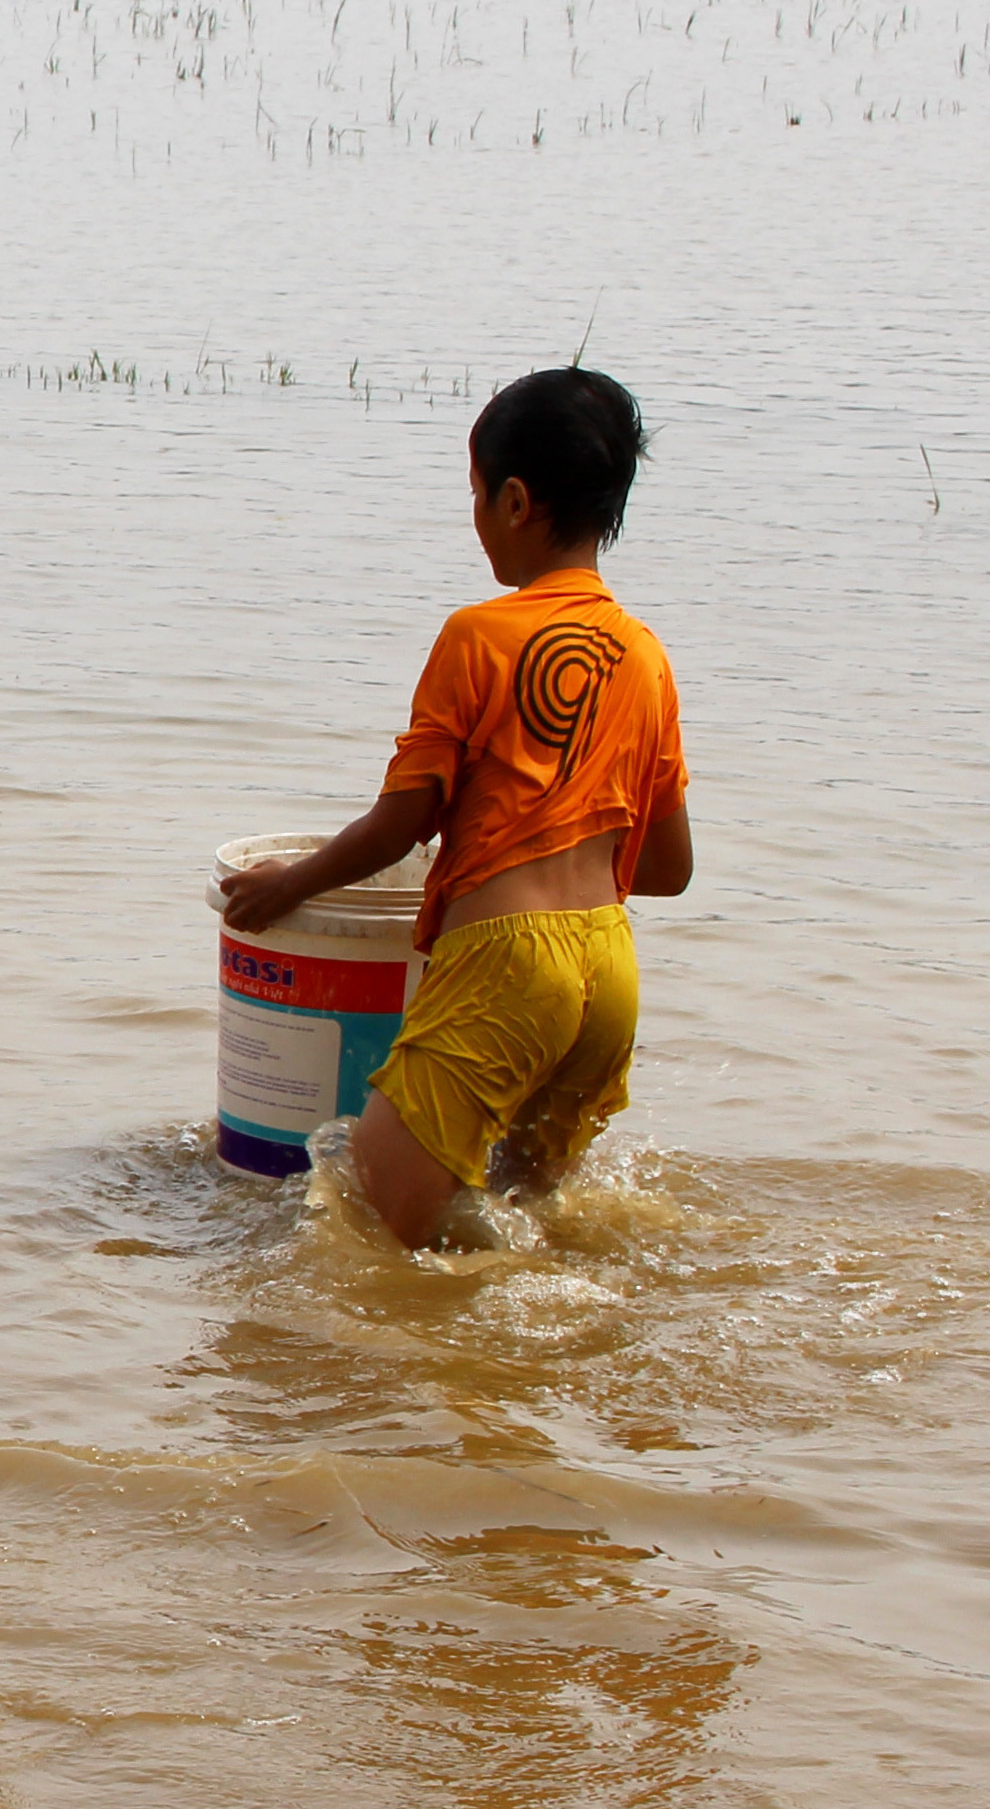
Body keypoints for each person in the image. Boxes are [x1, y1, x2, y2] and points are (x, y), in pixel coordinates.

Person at [219, 366, 694, 1248]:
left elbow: (403, 821)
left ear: (514, 501)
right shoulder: (646, 656)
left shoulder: (479, 634)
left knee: (385, 1193)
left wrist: (292, 886)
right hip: (607, 977)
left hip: (508, 963)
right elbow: (669, 870)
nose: (475, 520)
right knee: (525, 1215)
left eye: (475, 495)